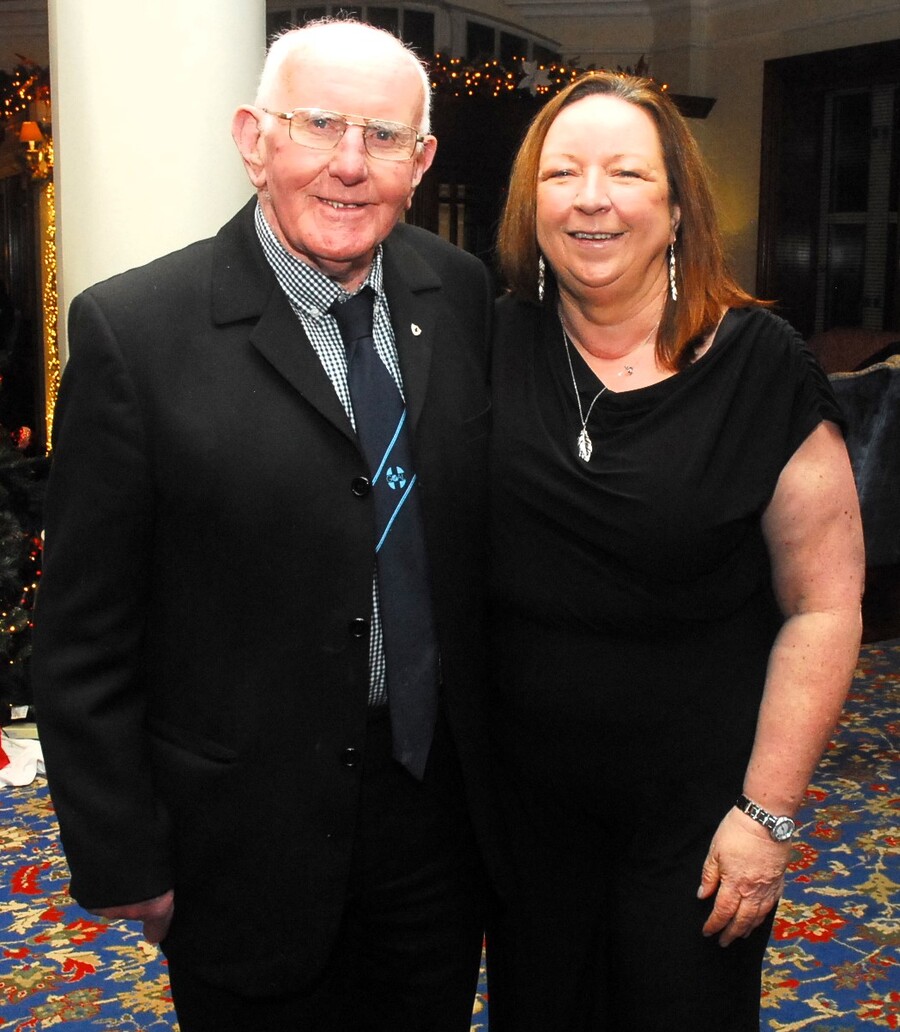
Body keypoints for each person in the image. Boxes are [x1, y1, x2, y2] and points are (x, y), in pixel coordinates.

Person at [32, 19, 493, 1032]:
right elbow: (82, 635)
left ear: (420, 162)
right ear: (254, 139)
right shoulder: (136, 331)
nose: (349, 164)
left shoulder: (459, 295)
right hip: (242, 837)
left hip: (433, 819)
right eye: (319, 124)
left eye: (382, 137)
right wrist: (121, 853)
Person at [486, 71, 864, 1031]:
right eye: (562, 174)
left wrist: (767, 815)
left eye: (627, 173)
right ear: (532, 205)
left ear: (679, 206)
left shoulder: (762, 365)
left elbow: (824, 607)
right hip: (524, 814)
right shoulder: (486, 344)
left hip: (701, 818)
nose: (592, 198)